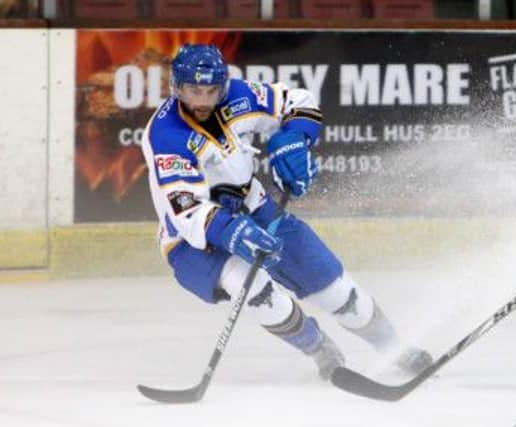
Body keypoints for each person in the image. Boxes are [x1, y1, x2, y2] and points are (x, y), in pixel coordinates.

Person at [141, 44, 432, 380]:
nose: (204, 101)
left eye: (211, 90)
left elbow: (298, 102)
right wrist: (232, 232)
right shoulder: (165, 136)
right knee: (259, 293)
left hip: (255, 208)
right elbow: (186, 210)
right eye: (194, 91)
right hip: (192, 241)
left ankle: (394, 347)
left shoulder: (239, 96)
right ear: (176, 87)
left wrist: (294, 138)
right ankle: (318, 347)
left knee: (336, 290)